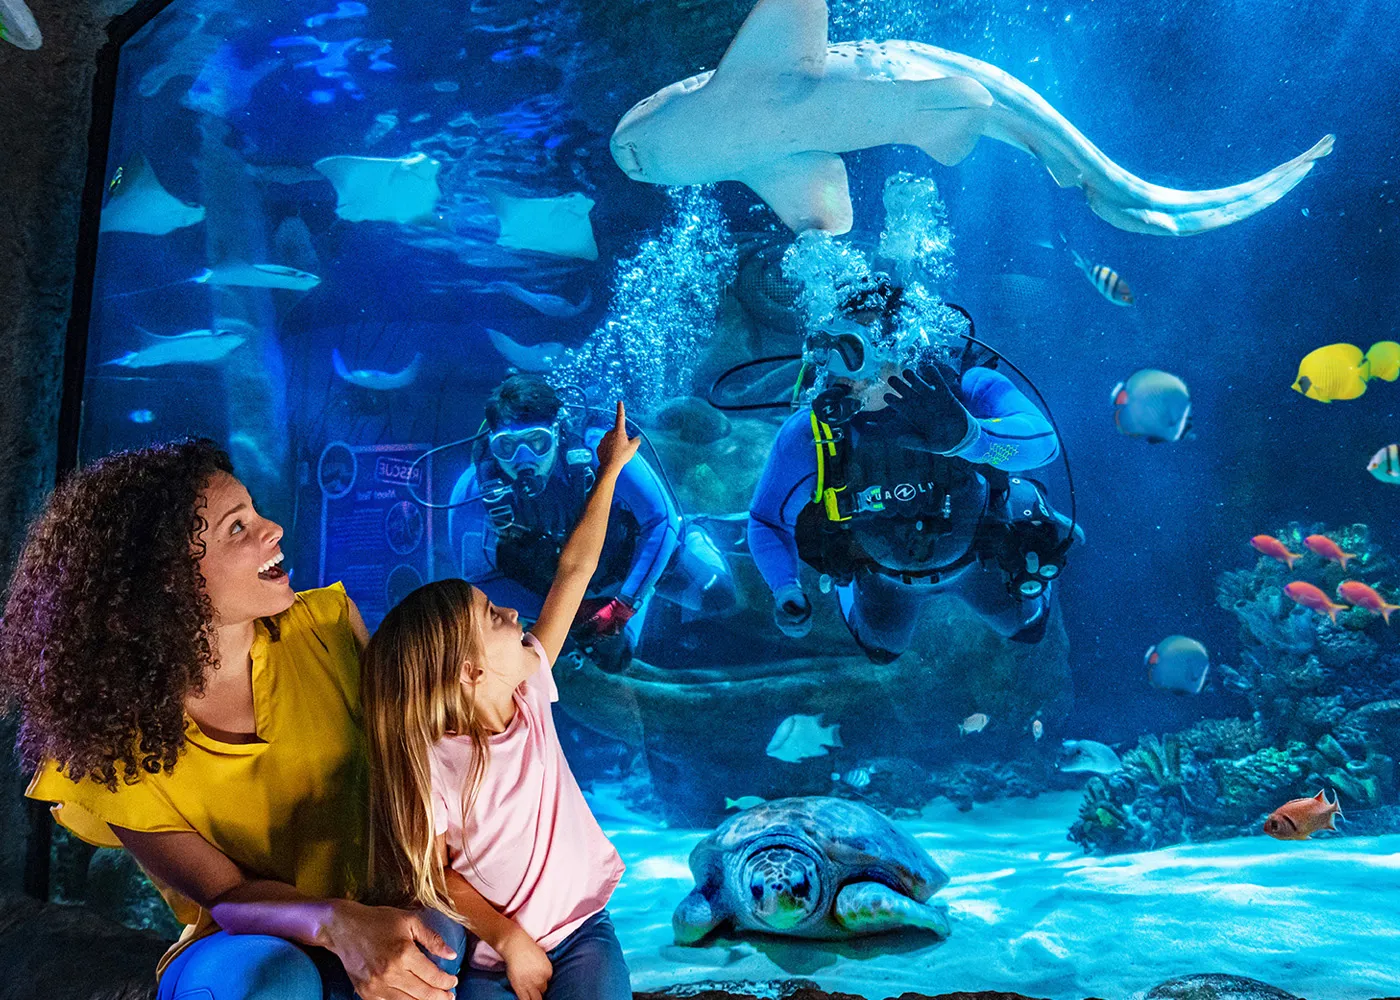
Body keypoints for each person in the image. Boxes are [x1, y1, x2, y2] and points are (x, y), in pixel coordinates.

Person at [0, 439, 461, 1000]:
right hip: (247, 936)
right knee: (274, 983)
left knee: (441, 945)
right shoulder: (110, 740)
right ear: (166, 579)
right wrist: (339, 924)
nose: (273, 530)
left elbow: (427, 774)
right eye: (237, 529)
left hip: (383, 902)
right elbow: (226, 895)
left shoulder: (330, 627)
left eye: (255, 513)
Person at [361, 401, 640, 1000]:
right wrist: (509, 940)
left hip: (584, 929)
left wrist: (610, 473)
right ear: (468, 671)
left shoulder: (530, 685)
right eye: (493, 615)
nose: (514, 610)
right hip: (489, 951)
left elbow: (573, 571)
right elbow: (433, 871)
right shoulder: (431, 758)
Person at [748, 275, 1075, 662]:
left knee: (1027, 629)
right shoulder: (811, 434)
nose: (842, 372)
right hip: (882, 575)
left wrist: (973, 437)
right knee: (881, 649)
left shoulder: (966, 388)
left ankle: (1024, 504)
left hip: (980, 554)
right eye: (829, 349)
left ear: (900, 343)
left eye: (855, 348)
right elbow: (766, 520)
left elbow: (1043, 445)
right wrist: (785, 588)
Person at [447, 375, 734, 654]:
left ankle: (693, 533)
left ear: (558, 433)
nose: (523, 459)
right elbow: (479, 578)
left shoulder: (601, 447)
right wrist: (567, 612)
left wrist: (624, 604)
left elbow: (660, 520)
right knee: (614, 661)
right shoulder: (473, 491)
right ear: (492, 443)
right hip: (575, 591)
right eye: (506, 447)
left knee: (718, 594)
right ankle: (634, 602)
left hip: (633, 556)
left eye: (537, 442)